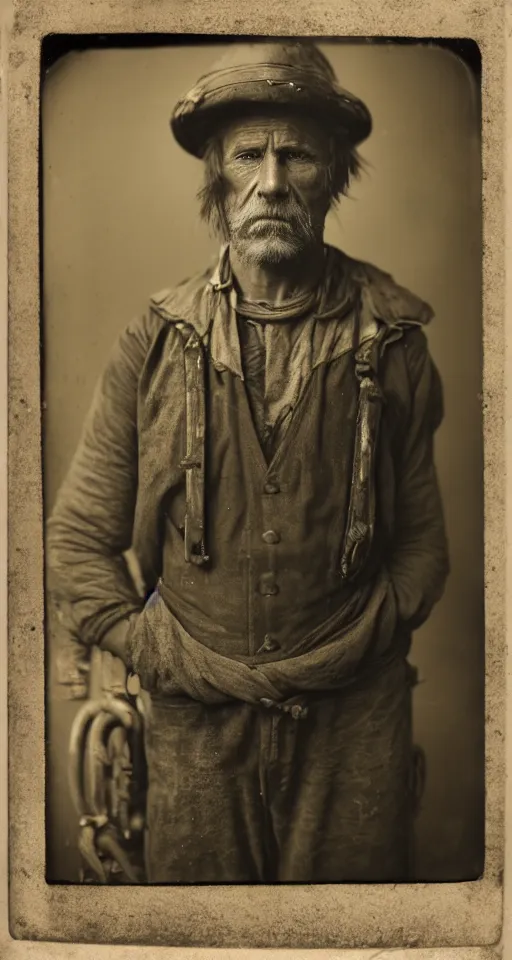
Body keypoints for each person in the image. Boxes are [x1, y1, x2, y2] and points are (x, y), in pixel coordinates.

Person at [47, 40, 449, 884]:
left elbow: (423, 550)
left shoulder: (395, 344)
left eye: (296, 154)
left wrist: (360, 647)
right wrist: (153, 651)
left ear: (334, 176)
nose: (271, 182)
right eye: (248, 155)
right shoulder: (151, 343)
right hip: (193, 727)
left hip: (356, 729)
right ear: (218, 180)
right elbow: (78, 541)